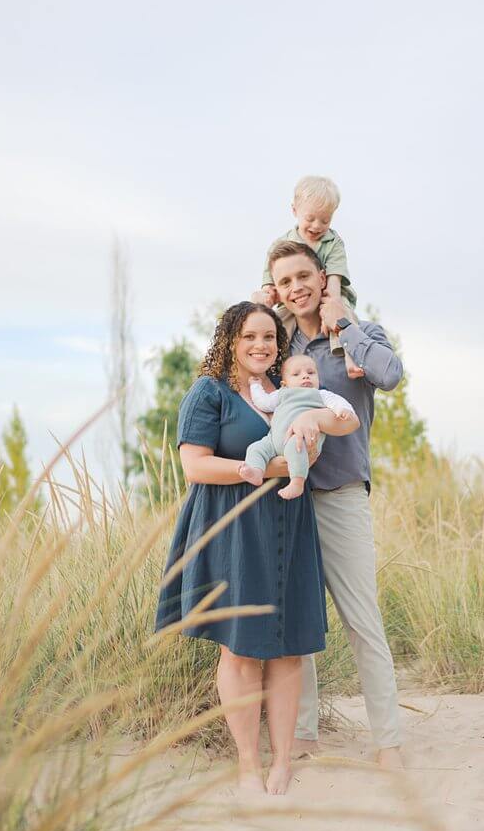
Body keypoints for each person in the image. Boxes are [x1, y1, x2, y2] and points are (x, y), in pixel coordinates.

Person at [154, 302, 359, 795]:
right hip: (232, 527)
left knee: (289, 648)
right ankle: (248, 762)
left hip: (290, 523)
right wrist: (273, 469)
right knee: (240, 648)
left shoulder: (292, 391)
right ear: (229, 339)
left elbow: (335, 425)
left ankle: (282, 762)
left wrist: (315, 427)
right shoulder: (209, 392)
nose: (261, 345)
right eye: (250, 336)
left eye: (269, 337)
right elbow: (196, 468)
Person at [267, 239, 405, 768]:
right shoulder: (276, 346)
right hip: (284, 496)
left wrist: (343, 324)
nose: (296, 288)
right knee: (297, 621)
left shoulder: (357, 333)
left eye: (304, 276)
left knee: (361, 619)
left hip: (341, 494)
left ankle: (388, 742)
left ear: (324, 277)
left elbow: (391, 376)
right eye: (285, 281)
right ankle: (303, 735)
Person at [256, 175, 365, 379]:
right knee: (277, 323)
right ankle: (272, 368)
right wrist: (266, 293)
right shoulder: (282, 244)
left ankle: (351, 357)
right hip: (294, 302)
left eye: (325, 220)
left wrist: (330, 312)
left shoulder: (333, 243)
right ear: (295, 211)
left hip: (330, 295)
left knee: (345, 318)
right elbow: (269, 280)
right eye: (310, 219)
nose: (317, 226)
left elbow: (334, 281)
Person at [239, 354, 358, 500]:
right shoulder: (282, 394)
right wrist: (255, 386)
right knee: (256, 448)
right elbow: (262, 402)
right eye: (296, 374)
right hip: (273, 440)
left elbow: (337, 402)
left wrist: (342, 410)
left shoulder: (321, 394)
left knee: (296, 448)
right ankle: (256, 471)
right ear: (284, 383)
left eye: (311, 373)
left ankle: (297, 482)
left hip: (300, 439)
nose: (305, 376)